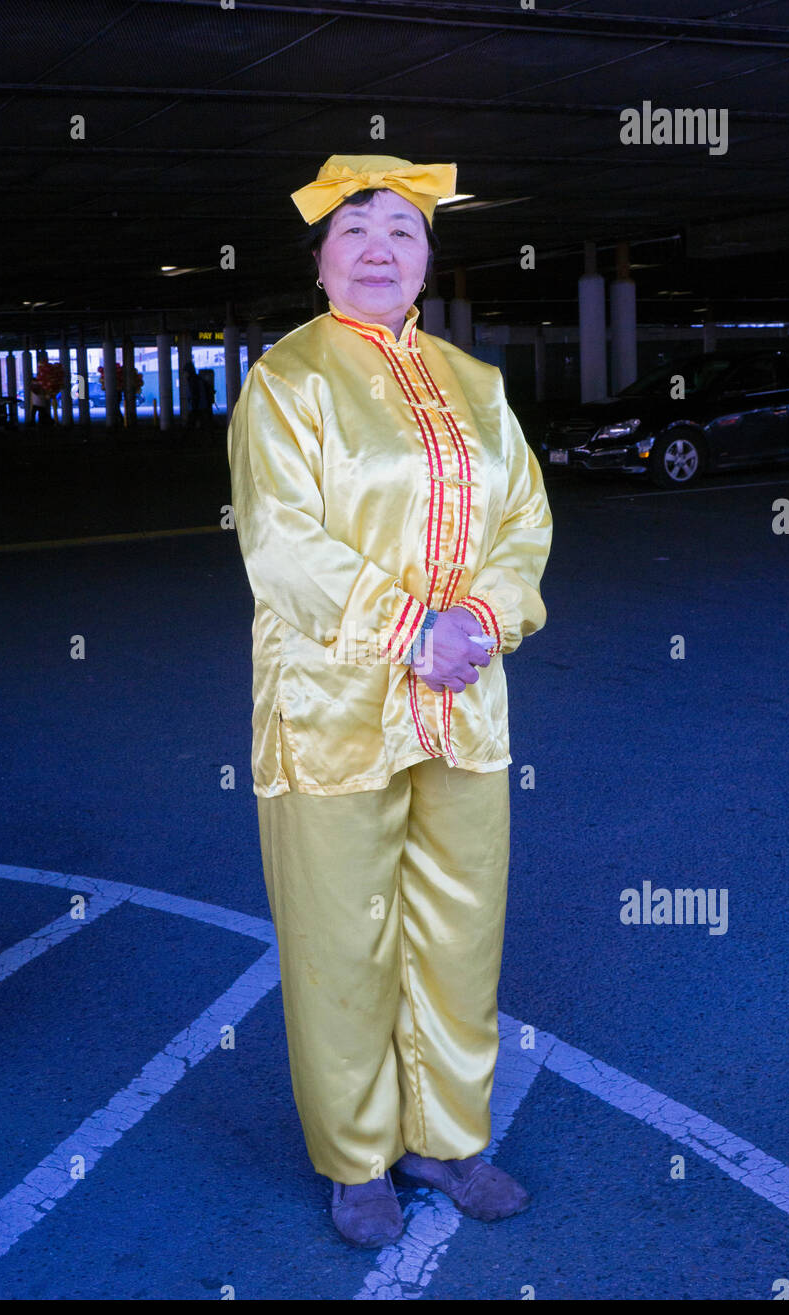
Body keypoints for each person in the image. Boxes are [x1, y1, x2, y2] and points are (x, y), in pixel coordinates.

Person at [228, 153, 552, 1249]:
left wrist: (481, 620)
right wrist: (412, 629)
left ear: (427, 260)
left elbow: (524, 526)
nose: (378, 250)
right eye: (355, 232)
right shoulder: (286, 380)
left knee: (459, 933)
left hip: (461, 700)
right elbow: (281, 545)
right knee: (341, 936)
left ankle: (447, 1139)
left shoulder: (479, 384)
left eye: (402, 233)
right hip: (334, 712)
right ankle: (356, 1157)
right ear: (318, 260)